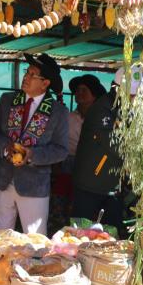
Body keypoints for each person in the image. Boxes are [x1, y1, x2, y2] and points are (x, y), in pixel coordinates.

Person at [0, 53, 69, 236]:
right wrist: (5, 146)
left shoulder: (58, 111)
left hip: (34, 185)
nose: (26, 77)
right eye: (27, 72)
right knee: (0, 239)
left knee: (35, 242)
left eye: (32, 75)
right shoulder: (7, 100)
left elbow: (61, 150)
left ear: (45, 83)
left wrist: (31, 155)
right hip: (3, 180)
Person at [71, 67, 141, 233]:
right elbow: (114, 144)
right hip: (90, 185)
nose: (134, 97)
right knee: (82, 234)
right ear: (116, 88)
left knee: (110, 236)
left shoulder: (124, 107)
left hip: (110, 186)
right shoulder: (102, 109)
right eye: (130, 94)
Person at [50, 74, 108, 233]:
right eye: (77, 91)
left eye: (84, 90)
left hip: (92, 166)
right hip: (67, 162)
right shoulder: (68, 117)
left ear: (94, 94)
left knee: (81, 203)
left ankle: (82, 232)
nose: (79, 93)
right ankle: (60, 231)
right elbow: (58, 141)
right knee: (60, 200)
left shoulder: (103, 119)